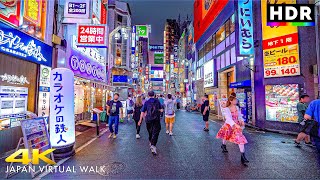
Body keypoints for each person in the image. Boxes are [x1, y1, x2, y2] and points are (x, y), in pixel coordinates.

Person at [216, 95, 249, 164]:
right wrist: (235, 125)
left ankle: (243, 156)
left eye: (236, 100)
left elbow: (239, 116)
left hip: (236, 126)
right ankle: (223, 145)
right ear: (231, 101)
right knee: (226, 135)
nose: (236, 101)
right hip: (229, 125)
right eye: (234, 100)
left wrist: (241, 121)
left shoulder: (237, 107)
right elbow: (228, 118)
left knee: (240, 139)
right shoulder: (227, 108)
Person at [138, 91, 163, 155]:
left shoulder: (146, 102)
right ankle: (153, 145)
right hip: (156, 119)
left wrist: (140, 120)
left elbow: (142, 112)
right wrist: (159, 111)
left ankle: (151, 141)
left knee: (150, 131)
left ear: (148, 95)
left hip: (148, 119)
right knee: (156, 131)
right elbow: (161, 109)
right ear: (154, 95)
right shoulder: (157, 101)